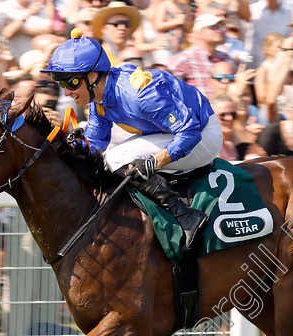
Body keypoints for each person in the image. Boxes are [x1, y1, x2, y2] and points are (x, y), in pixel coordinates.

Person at [43, 30, 220, 253]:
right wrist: (65, 146)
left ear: (93, 76)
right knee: (108, 156)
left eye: (72, 82)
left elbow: (189, 131)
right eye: (61, 84)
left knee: (116, 157)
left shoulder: (138, 95)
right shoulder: (98, 97)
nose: (67, 92)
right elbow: (95, 143)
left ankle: (186, 216)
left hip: (202, 135)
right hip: (170, 133)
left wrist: (154, 162)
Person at [167, 14, 233, 99]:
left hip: (225, 109)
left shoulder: (226, 58)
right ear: (200, 33)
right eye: (213, 27)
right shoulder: (185, 58)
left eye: (220, 27)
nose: (219, 30)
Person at [92, 1, 141, 67]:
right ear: (103, 28)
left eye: (127, 25)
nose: (122, 28)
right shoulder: (98, 56)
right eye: (116, 24)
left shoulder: (135, 54)